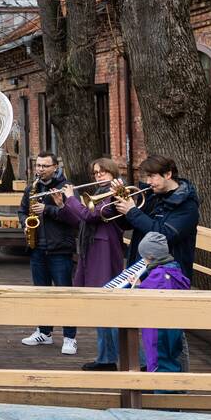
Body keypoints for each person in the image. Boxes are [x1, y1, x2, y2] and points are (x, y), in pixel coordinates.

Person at [58, 158, 127, 371]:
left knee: (110, 310)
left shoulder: (116, 193)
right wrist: (63, 204)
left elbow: (91, 216)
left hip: (104, 252)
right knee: (101, 308)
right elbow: (81, 220)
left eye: (103, 172)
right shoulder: (98, 192)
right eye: (96, 172)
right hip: (93, 250)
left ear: (113, 172)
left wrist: (71, 198)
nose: (98, 176)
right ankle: (106, 359)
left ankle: (139, 361)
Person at [17, 152, 78, 354]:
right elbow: (22, 211)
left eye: (45, 166)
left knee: (64, 294)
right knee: (41, 293)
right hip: (37, 248)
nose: (40, 169)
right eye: (38, 165)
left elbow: (74, 218)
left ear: (55, 167)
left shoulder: (66, 188)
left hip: (60, 249)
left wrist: (48, 209)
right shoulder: (32, 187)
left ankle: (70, 337)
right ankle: (44, 332)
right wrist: (25, 223)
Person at [114, 155, 200, 280]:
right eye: (147, 176)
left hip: (168, 276)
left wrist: (132, 211)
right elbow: (128, 224)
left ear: (168, 174)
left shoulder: (187, 206)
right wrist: (118, 202)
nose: (148, 182)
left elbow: (164, 235)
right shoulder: (152, 196)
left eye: (152, 176)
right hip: (141, 267)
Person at [131, 233, 191, 373]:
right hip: (175, 327)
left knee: (160, 361)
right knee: (175, 357)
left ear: (151, 256)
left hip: (159, 332)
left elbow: (148, 296)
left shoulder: (159, 276)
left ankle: (162, 391)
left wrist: (137, 286)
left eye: (143, 258)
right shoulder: (174, 270)